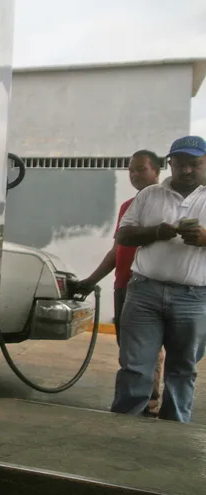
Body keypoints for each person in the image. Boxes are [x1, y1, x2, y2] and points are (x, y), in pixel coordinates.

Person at [112, 135, 206, 423]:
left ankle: (173, 433)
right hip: (144, 293)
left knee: (182, 370)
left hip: (194, 298)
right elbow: (123, 235)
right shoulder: (149, 195)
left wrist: (204, 238)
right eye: (180, 164)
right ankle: (123, 428)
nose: (186, 170)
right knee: (135, 367)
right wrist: (155, 232)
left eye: (194, 164)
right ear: (170, 164)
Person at [77, 150, 162, 415]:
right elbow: (117, 251)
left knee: (148, 349)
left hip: (148, 286)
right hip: (123, 285)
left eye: (141, 169)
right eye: (131, 170)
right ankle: (134, 403)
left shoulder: (165, 205)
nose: (134, 175)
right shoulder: (128, 206)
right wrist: (90, 281)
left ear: (157, 171)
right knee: (128, 350)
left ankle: (150, 402)